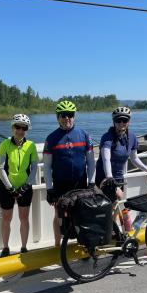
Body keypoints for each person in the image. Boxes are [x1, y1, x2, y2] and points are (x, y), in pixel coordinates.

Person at [43, 100, 95, 247]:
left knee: (81, 215)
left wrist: (91, 183)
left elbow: (91, 162)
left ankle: (82, 243)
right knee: (59, 215)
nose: (67, 118)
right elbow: (46, 166)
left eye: (70, 115)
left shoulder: (84, 135)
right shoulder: (51, 138)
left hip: (80, 184)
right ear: (58, 117)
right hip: (60, 184)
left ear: (74, 116)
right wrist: (49, 189)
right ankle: (57, 246)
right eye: (63, 115)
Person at [0, 114, 38, 257]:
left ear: (27, 130)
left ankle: (24, 247)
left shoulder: (31, 146)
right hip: (7, 188)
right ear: (12, 127)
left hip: (25, 188)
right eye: (17, 127)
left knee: (24, 218)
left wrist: (26, 186)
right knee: (7, 218)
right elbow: (0, 168)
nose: (20, 131)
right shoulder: (4, 144)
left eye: (24, 128)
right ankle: (6, 248)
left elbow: (34, 168)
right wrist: (10, 188)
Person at [95, 106, 147, 196]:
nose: (121, 123)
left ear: (129, 121)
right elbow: (106, 159)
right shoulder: (107, 137)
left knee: (119, 205)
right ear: (114, 121)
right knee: (119, 197)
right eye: (118, 120)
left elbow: (134, 158)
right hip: (105, 178)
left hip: (119, 178)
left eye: (124, 120)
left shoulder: (132, 137)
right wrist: (109, 176)